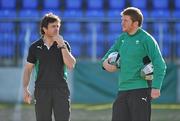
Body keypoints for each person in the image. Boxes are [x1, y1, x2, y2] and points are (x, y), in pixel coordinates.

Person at [102, 7, 167, 121]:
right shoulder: (122, 39)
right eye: (122, 20)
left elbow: (160, 64)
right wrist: (106, 64)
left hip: (141, 89)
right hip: (122, 90)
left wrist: (156, 87)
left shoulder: (146, 39)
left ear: (135, 23)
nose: (122, 23)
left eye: (125, 20)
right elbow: (106, 58)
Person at [23, 13, 76, 121]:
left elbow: (71, 65)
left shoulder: (64, 45)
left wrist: (62, 45)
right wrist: (25, 88)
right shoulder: (34, 47)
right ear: (44, 29)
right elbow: (28, 69)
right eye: (53, 26)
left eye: (58, 26)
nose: (56, 29)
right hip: (41, 89)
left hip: (61, 89)